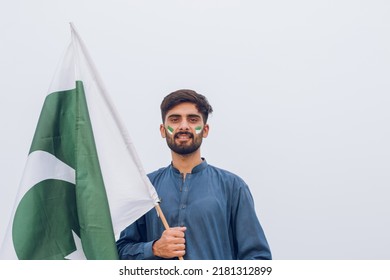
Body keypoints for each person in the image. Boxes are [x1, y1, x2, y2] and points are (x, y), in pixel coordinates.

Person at [116, 89, 271, 260]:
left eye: (193, 119)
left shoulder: (233, 186)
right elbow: (120, 252)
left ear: (205, 130)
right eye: (174, 120)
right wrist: (154, 248)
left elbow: (258, 258)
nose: (183, 126)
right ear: (162, 130)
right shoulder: (146, 187)